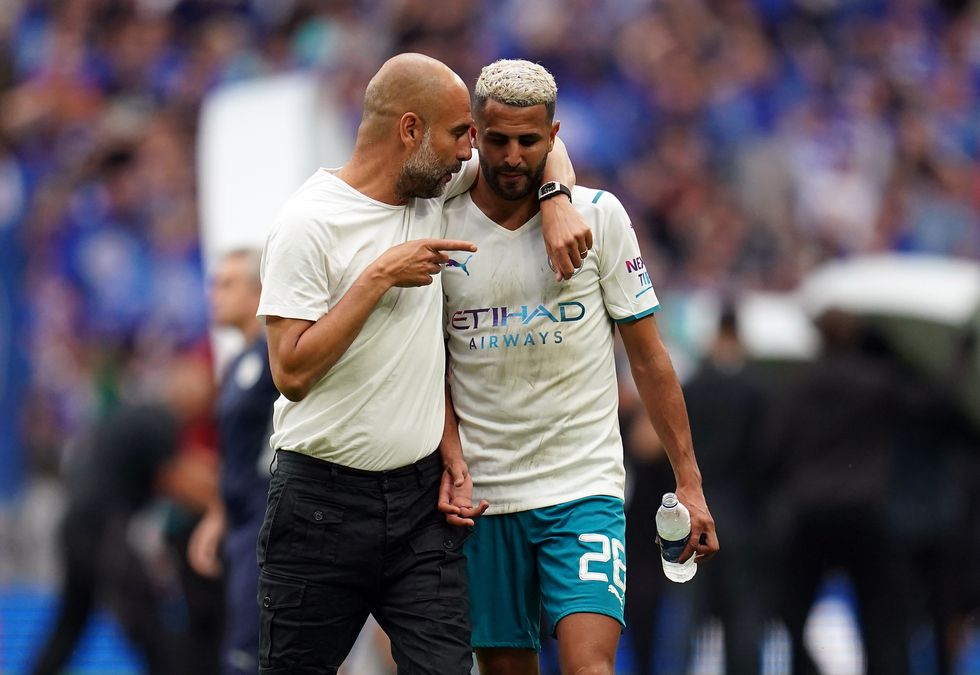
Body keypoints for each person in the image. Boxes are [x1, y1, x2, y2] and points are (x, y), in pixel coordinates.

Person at [255, 52, 587, 674]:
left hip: (418, 506)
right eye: (460, 132)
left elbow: (541, 143)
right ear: (410, 130)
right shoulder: (309, 224)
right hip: (321, 503)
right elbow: (291, 373)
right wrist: (379, 276)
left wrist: (558, 196)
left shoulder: (431, 191)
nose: (472, 152)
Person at [440, 59, 718, 675]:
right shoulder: (438, 222)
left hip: (583, 489)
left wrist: (689, 482)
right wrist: (452, 457)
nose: (513, 156)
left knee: (590, 667)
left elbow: (649, 359)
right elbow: (429, 368)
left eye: (530, 141)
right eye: (499, 140)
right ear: (475, 135)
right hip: (485, 498)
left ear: (554, 136)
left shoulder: (600, 218)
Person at [30, 353, 219, 675]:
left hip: (76, 525)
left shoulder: (139, 412)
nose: (207, 401)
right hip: (100, 528)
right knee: (146, 619)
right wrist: (227, 504)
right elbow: (179, 482)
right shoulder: (157, 419)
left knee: (71, 622)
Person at [187, 249, 279, 675]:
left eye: (227, 284)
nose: (214, 295)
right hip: (242, 525)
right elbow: (235, 454)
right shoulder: (241, 363)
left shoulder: (278, 358)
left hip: (269, 524)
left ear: (258, 292)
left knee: (252, 652)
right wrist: (218, 515)